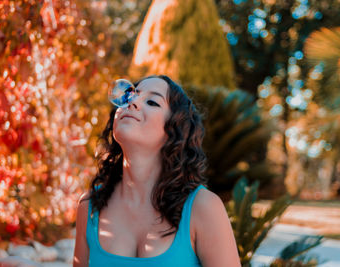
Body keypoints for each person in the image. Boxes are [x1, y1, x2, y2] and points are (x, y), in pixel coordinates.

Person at [74, 75, 241, 267]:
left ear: (174, 131)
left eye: (152, 102)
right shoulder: (89, 206)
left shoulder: (203, 208)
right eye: (129, 96)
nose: (132, 103)